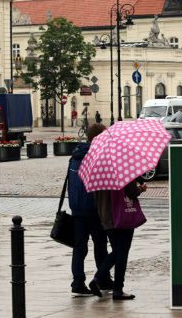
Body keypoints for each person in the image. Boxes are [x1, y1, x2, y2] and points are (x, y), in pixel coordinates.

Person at [68, 123, 112, 296]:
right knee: (100, 245)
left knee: (79, 247)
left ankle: (77, 282)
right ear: (97, 138)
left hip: (77, 208)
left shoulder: (75, 155)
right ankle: (103, 279)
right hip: (93, 209)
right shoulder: (96, 155)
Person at [89, 177, 147, 300]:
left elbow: (95, 198)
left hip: (106, 218)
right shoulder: (123, 172)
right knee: (122, 253)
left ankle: (101, 280)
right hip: (122, 217)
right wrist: (141, 189)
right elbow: (131, 192)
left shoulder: (99, 175)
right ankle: (115, 288)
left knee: (118, 252)